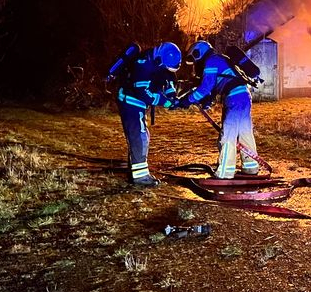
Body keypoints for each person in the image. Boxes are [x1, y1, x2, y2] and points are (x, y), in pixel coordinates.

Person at [176, 40, 260, 179]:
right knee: (244, 131)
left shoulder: (211, 61)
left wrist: (187, 100)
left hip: (234, 98)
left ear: (198, 53)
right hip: (243, 95)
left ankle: (225, 172)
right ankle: (251, 167)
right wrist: (207, 100)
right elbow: (216, 85)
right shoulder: (219, 59)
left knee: (228, 134)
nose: (195, 64)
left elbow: (205, 88)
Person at [108, 41, 181, 187]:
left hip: (137, 103)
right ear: (161, 60)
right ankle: (140, 177)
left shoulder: (158, 62)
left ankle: (135, 169)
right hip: (130, 101)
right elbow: (143, 93)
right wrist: (165, 102)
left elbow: (166, 79)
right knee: (139, 137)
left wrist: (172, 96)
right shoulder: (143, 65)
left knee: (143, 135)